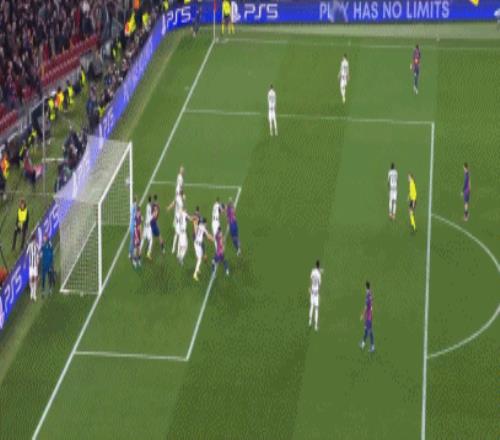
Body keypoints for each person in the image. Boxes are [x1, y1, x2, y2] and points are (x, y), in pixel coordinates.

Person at [148, 194, 165, 259]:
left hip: (150, 223)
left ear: (153, 198)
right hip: (154, 223)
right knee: (159, 236)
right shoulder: (158, 206)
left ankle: (148, 252)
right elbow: (156, 214)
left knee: (150, 238)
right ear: (157, 198)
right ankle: (163, 249)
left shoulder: (151, 205)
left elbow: (150, 209)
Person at [360, 281, 375, 352]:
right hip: (370, 315)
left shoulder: (367, 296)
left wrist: (362, 315)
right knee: (366, 330)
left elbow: (366, 307)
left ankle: (372, 346)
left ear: (366, 287)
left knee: (370, 331)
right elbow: (371, 305)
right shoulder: (371, 294)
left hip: (368, 316)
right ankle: (363, 343)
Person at [309, 260, 322, 331]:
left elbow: (311, 279)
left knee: (311, 306)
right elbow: (319, 284)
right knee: (316, 309)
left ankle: (310, 321)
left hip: (312, 291)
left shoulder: (312, 271)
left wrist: (311, 288)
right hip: (316, 293)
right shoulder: (319, 274)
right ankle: (316, 326)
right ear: (319, 266)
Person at [27, 235, 39, 301]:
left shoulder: (37, 246)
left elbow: (38, 254)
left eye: (35, 239)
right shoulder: (29, 246)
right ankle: (31, 292)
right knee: (31, 279)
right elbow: (27, 254)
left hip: (35, 266)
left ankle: (34, 293)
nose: (35, 241)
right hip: (31, 266)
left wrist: (38, 260)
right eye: (34, 239)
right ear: (32, 240)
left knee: (35, 279)